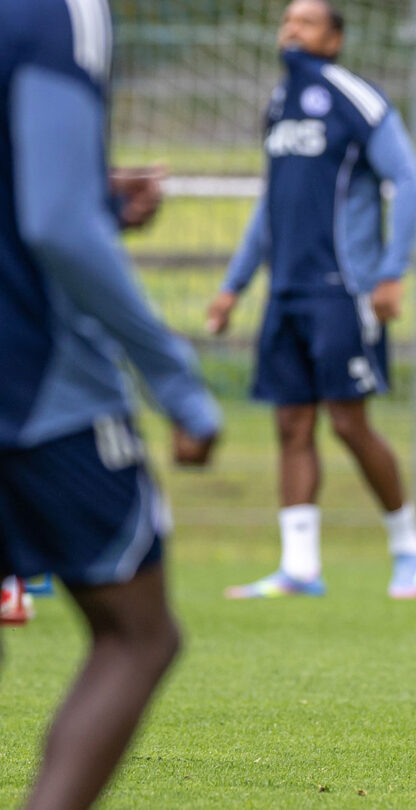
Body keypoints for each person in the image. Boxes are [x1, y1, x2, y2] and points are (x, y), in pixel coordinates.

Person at [1, 1, 222, 807]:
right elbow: (56, 224)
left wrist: (87, 191)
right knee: (138, 632)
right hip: (32, 388)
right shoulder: (60, 13)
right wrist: (176, 382)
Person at [206, 0, 416, 600]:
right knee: (290, 423)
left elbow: (408, 182)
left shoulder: (356, 99)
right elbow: (269, 204)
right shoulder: (278, 105)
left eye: (305, 22)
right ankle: (299, 568)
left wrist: (389, 274)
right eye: (285, 21)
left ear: (333, 40)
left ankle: (409, 546)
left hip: (344, 288)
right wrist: (234, 284)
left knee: (348, 423)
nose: (290, 30)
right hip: (286, 291)